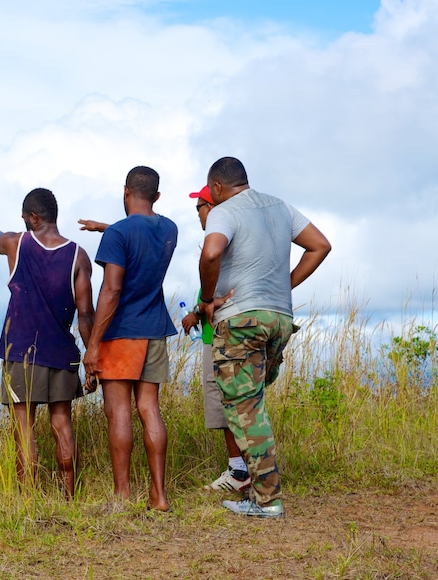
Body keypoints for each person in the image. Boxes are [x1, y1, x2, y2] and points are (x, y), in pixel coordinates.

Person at [198, 157, 331, 518]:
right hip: (279, 318)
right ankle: (262, 490)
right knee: (252, 404)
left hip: (242, 319)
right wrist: (282, 286)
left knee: (245, 409)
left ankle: (267, 500)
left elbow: (211, 253)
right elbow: (320, 245)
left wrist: (208, 299)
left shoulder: (225, 210)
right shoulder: (279, 206)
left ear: (217, 188)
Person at [0, 187, 95, 499]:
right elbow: (86, 314)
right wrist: (91, 357)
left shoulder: (17, 244)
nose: (23, 224)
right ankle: (68, 497)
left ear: (33, 217)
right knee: (62, 424)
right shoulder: (79, 256)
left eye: (25, 218)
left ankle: (28, 500)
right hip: (63, 353)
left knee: (24, 430)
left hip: (20, 351)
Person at [80, 166, 178, 512]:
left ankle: (122, 496)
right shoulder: (169, 229)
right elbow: (142, 239)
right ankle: (159, 496)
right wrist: (104, 229)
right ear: (157, 196)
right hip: (155, 329)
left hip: (122, 333)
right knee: (149, 409)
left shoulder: (119, 235)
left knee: (118, 412)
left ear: (125, 191)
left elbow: (112, 289)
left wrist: (92, 345)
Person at [181, 185, 250, 493]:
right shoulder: (229, 235)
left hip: (222, 336)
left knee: (226, 403)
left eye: (200, 207)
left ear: (212, 206)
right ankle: (243, 469)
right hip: (222, 331)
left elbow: (221, 295)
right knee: (235, 402)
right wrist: (197, 312)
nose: (198, 213)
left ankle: (239, 471)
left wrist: (200, 309)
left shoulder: (221, 239)